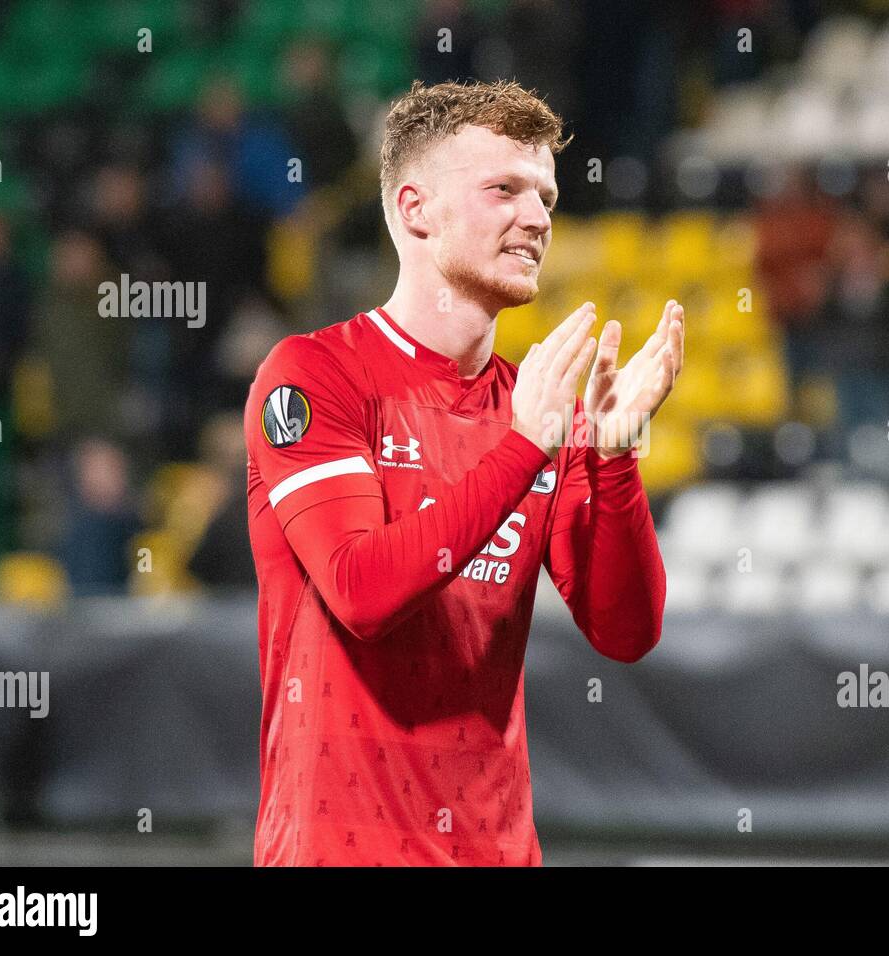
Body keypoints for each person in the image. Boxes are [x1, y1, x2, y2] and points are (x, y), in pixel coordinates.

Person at [243, 79, 684, 866]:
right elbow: (361, 591)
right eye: (505, 190)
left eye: (546, 195)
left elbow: (625, 632)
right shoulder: (313, 376)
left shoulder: (542, 411)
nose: (539, 217)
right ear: (416, 209)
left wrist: (615, 459)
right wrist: (524, 452)